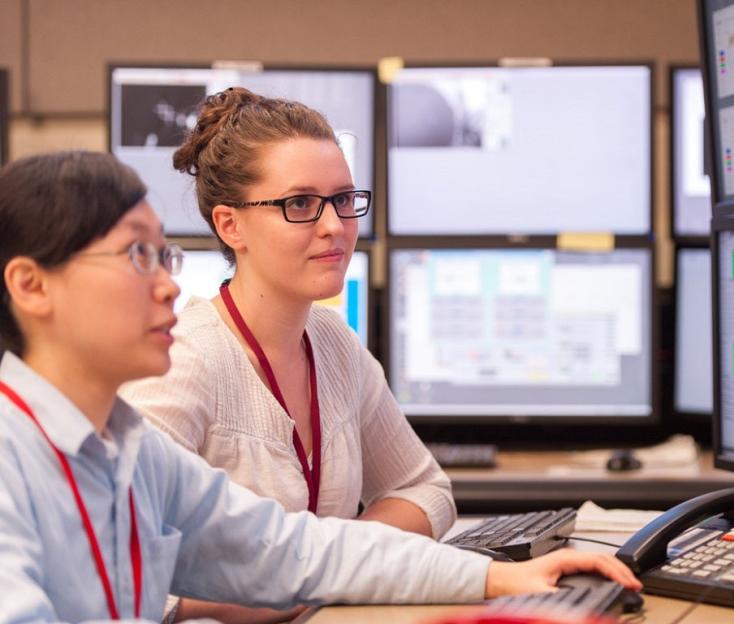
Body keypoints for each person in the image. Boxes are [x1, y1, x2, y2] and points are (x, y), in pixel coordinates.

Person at [0, 150, 641, 623]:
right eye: (137, 256)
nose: (169, 285)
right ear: (31, 285)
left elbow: (297, 549)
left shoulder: (129, 448)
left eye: (163, 257)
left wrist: (500, 580)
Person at [120, 88, 458, 620]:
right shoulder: (183, 362)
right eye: (300, 204)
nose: (335, 226)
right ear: (231, 225)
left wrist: (336, 559)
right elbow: (121, 576)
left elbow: (426, 491)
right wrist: (317, 575)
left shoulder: (334, 344)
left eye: (344, 199)